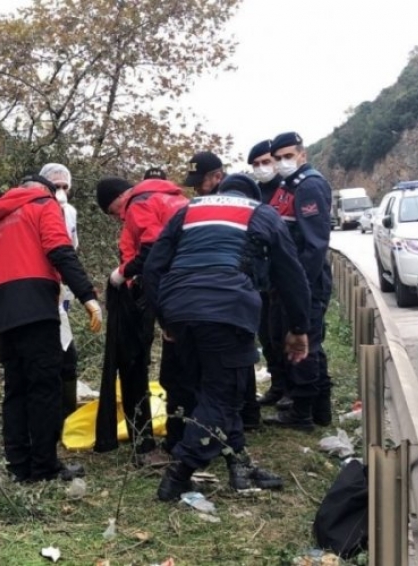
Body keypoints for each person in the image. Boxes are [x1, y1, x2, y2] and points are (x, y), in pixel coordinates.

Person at [143, 173, 311, 500]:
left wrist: (164, 317)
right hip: (227, 308)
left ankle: (240, 465)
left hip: (180, 309)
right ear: (253, 196)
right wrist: (300, 328)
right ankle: (178, 475)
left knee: (212, 392)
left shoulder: (188, 211)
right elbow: (292, 276)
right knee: (224, 396)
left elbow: (152, 268)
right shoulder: (263, 214)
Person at [0, 174, 103, 483]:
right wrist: (88, 296)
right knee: (44, 387)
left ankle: (19, 467)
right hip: (36, 303)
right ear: (46, 191)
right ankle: (45, 467)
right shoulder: (43, 205)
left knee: (16, 390)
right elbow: (60, 251)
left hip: (5, 308)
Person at [95, 176, 190, 465]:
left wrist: (124, 272)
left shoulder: (138, 203)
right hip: (195, 288)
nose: (118, 218)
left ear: (117, 199)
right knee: (191, 366)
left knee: (159, 369)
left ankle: (164, 442)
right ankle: (191, 435)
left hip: (168, 290)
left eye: (113, 212)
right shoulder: (176, 199)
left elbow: (153, 251)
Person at [262, 132, 333, 430]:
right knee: (299, 341)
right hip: (289, 281)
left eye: (288, 156)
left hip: (305, 282)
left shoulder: (309, 186)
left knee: (304, 344)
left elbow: (315, 245)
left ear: (302, 154)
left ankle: (303, 413)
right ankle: (318, 409)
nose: (282, 162)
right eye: (277, 158)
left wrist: (298, 287)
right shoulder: (286, 187)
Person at [246, 139, 291, 411]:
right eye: (256, 164)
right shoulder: (254, 194)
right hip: (259, 278)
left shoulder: (288, 190)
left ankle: (293, 389)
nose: (262, 168)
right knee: (266, 334)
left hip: (283, 275)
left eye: (266, 162)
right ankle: (277, 384)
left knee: (286, 333)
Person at [39, 163, 81, 421]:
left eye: (65, 186)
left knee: (67, 351)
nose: (61, 192)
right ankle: (52, 413)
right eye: (56, 187)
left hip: (62, 290)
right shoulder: (37, 211)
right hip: (41, 290)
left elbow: (71, 251)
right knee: (52, 352)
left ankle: (67, 414)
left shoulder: (70, 213)